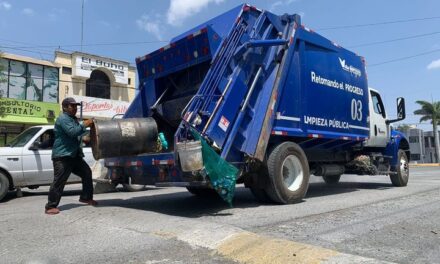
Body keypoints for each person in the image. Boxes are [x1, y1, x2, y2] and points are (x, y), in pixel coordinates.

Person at [45, 97, 96, 215]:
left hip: (74, 155)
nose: (75, 108)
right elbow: (72, 132)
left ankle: (85, 197)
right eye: (72, 106)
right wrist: (85, 124)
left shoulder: (73, 119)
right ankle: (50, 206)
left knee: (87, 173)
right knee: (59, 181)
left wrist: (86, 138)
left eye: (76, 106)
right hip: (63, 155)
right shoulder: (63, 119)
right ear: (64, 107)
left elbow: (76, 135)